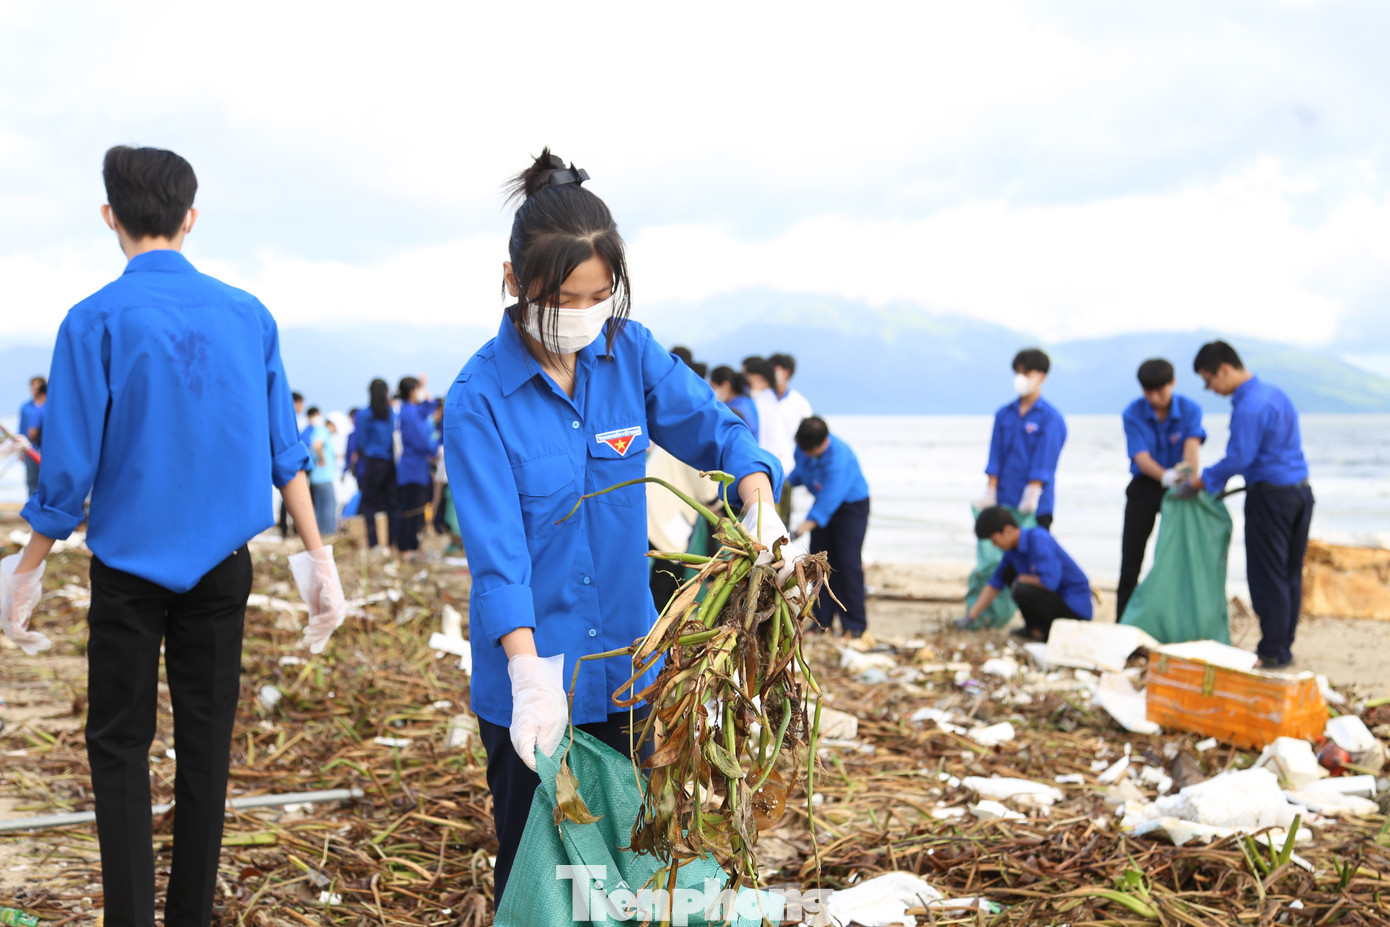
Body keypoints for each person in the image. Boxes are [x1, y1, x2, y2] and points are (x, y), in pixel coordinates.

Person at [0, 145, 345, 927]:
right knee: (206, 744)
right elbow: (284, 450)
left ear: (110, 217)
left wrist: (27, 568)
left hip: (127, 569)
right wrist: (318, 558)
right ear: (191, 218)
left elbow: (69, 469)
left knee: (119, 745)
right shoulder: (248, 315)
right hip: (223, 567)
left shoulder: (93, 319)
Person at [442, 150, 795, 910]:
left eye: (599, 296)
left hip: (632, 671)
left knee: (636, 866)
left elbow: (719, 429)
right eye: (564, 297)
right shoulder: (479, 399)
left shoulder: (628, 353)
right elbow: (498, 557)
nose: (583, 313)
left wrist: (758, 497)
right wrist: (529, 675)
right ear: (514, 281)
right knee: (542, 874)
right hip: (536, 678)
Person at [1187, 340, 1312, 669]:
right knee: (1289, 574)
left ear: (1224, 370)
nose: (1211, 389)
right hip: (1300, 493)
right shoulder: (1275, 394)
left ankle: (1273, 651)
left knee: (1267, 575)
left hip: (1271, 498)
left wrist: (1203, 481)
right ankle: (1282, 645)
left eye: (1208, 381)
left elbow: (1239, 458)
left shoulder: (1249, 406)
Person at [1116, 359, 1206, 620]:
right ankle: (1122, 620)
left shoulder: (1190, 409)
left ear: (1172, 383)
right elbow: (1141, 457)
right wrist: (1164, 476)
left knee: (1178, 555)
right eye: (1148, 391)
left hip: (1181, 488)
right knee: (1131, 558)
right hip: (1145, 485)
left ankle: (1175, 618)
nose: (1154, 398)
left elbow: (1191, 449)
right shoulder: (1132, 412)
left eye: (1160, 391)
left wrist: (1188, 477)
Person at [788, 416, 870, 637]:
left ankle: (854, 626)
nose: (806, 454)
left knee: (847, 563)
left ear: (824, 442)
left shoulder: (838, 459)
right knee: (819, 564)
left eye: (810, 451)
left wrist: (797, 531)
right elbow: (799, 474)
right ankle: (822, 623)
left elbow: (827, 503)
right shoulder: (803, 450)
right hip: (823, 504)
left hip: (850, 507)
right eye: (804, 450)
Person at [964, 506, 1092, 640]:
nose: (994, 545)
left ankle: (1045, 631)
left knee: (1021, 587)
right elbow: (994, 585)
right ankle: (1034, 628)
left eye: (994, 540)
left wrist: (1021, 578)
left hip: (1074, 609)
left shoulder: (1039, 538)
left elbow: (1049, 582)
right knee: (1009, 574)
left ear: (1007, 530)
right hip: (1055, 600)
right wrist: (970, 617)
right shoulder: (1011, 551)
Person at [979, 348, 1067, 529]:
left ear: (1042, 376)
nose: (1020, 377)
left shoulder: (1050, 418)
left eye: (1026, 373)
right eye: (1017, 372)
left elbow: (1045, 459)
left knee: (1034, 545)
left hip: (1036, 504)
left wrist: (1032, 492)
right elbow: (995, 455)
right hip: (1003, 502)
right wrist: (991, 491)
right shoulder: (1004, 414)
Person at [767, 353, 814, 523]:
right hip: (763, 467)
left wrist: (806, 473)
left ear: (787, 372)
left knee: (782, 521)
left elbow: (807, 442)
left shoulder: (800, 404)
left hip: (788, 472)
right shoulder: (760, 398)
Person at [396, 376, 439, 558]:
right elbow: (420, 441)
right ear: (412, 391)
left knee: (416, 507)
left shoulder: (412, 410)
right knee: (411, 509)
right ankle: (407, 547)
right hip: (412, 467)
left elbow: (429, 407)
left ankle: (412, 545)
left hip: (417, 467)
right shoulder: (409, 413)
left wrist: (424, 386)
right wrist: (436, 448)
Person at [354, 379, 398, 549]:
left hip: (373, 463)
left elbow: (361, 442)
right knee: (391, 504)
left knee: (368, 503)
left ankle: (374, 543)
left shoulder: (364, 414)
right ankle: (391, 542)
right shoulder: (390, 412)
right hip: (389, 463)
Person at [304, 406, 338, 538]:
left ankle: (319, 535)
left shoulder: (314, 431)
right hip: (323, 477)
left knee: (320, 507)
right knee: (329, 506)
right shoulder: (323, 431)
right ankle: (328, 534)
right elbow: (317, 445)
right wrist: (323, 459)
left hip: (316, 477)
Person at [278, 391, 307, 539]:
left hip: (288, 462)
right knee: (290, 498)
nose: (302, 407)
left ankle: (289, 529)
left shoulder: (292, 418)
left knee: (287, 499)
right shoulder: (287, 417)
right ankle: (288, 529)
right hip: (289, 463)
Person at [709, 365, 759, 442]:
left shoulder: (733, 409)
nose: (712, 392)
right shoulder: (748, 401)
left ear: (726, 386)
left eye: (713, 387)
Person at [18, 377, 46, 497]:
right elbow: (23, 429)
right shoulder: (26, 407)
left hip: (48, 451)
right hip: (30, 449)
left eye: (38, 387)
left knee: (47, 482)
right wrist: (20, 450)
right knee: (32, 482)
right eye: (33, 387)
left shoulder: (49, 406)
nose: (35, 390)